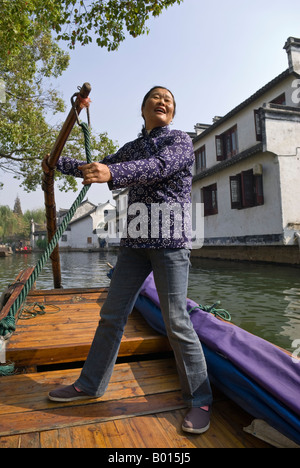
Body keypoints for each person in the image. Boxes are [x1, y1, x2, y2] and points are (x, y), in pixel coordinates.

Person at [46, 86, 213, 434]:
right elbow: (98, 168)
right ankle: (89, 385)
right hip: (135, 243)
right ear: (142, 109)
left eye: (168, 99)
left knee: (177, 322)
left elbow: (156, 167)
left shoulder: (179, 141)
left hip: (170, 241)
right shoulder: (132, 148)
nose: (163, 101)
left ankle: (200, 399)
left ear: (173, 111)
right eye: (156, 97)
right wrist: (56, 161)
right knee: (111, 315)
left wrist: (113, 173)